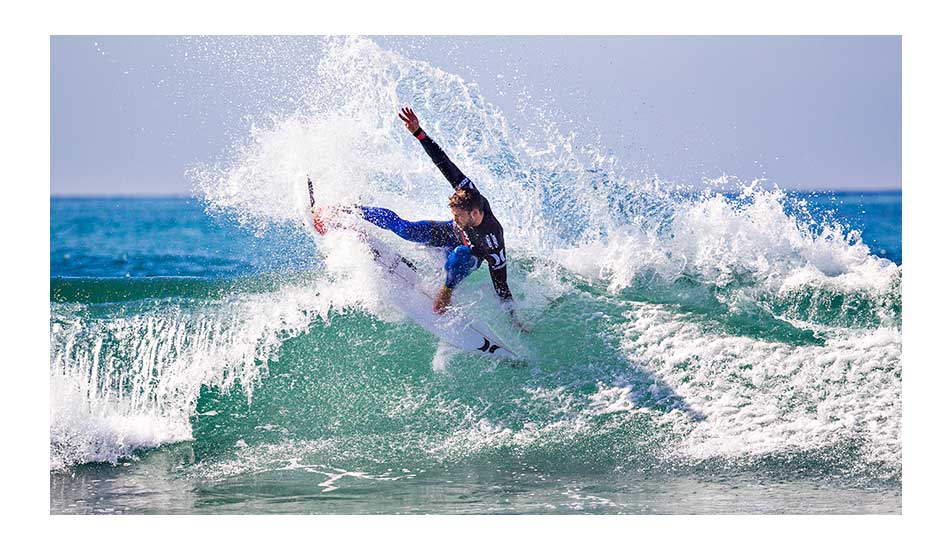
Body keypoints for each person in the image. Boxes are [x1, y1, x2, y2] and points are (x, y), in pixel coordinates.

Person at [317, 107, 526, 331]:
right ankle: (346, 210)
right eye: (453, 215)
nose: (455, 218)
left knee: (461, 254)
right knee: (405, 229)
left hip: (469, 258)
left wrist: (514, 320)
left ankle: (447, 290)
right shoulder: (467, 192)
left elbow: (501, 284)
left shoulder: (493, 239)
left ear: (474, 214)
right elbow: (444, 162)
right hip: (449, 235)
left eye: (458, 216)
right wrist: (418, 133)